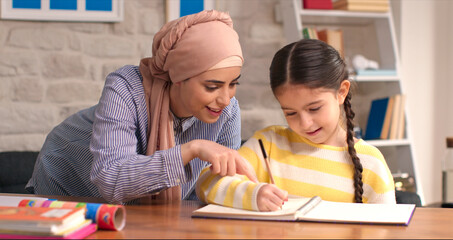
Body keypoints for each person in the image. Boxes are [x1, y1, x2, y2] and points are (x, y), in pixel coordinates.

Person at [26, 10, 257, 205]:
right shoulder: (125, 87)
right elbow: (111, 178)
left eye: (233, 84)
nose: (225, 99)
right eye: (212, 87)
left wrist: (253, 194)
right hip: (66, 177)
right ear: (178, 76)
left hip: (131, 205)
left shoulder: (227, 111)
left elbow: (220, 184)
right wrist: (192, 149)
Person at [196, 39, 396, 212]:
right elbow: (206, 183)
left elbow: (390, 229)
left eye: (314, 108)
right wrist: (252, 195)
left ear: (341, 92)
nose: (305, 123)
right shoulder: (268, 144)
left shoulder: (370, 163)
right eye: (290, 113)